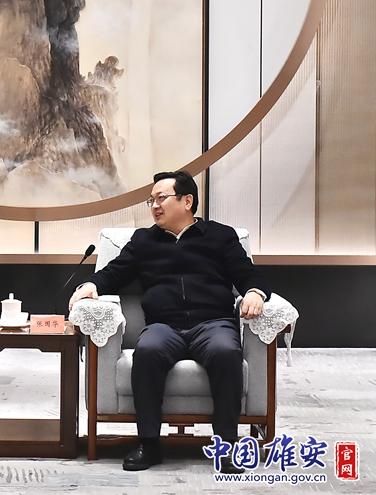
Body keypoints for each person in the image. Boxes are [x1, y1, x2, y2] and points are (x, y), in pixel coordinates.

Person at [68, 171, 271, 474]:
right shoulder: (144, 240)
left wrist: (255, 292)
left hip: (213, 323)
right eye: (151, 200)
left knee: (226, 353)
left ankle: (226, 445)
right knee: (147, 353)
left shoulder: (220, 236)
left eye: (161, 198)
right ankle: (149, 443)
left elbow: (248, 274)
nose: (154, 206)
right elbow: (115, 272)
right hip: (163, 325)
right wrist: (91, 285)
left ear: (187, 201)